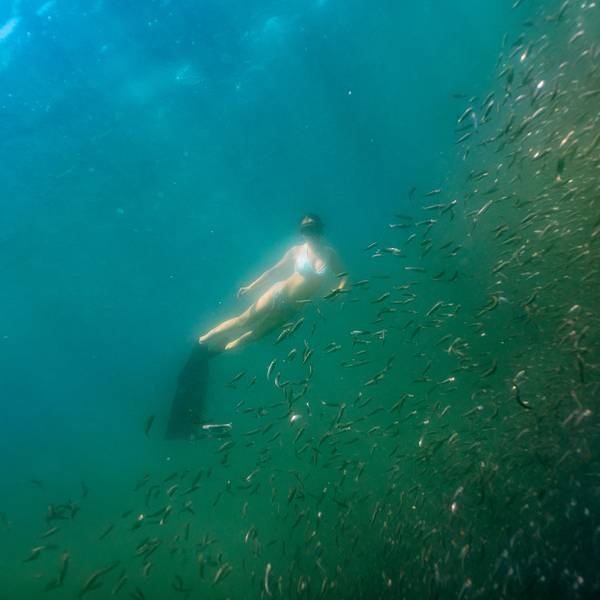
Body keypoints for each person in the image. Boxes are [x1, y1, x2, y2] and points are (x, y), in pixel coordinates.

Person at [165, 214, 348, 439]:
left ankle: (221, 350)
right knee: (245, 319)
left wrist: (339, 290)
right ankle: (203, 339)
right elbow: (274, 271)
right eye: (305, 230)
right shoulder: (296, 251)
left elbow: (344, 276)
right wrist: (251, 287)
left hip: (292, 308)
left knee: (256, 334)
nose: (309, 234)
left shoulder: (330, 254)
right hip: (278, 293)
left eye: (312, 229)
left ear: (320, 229)